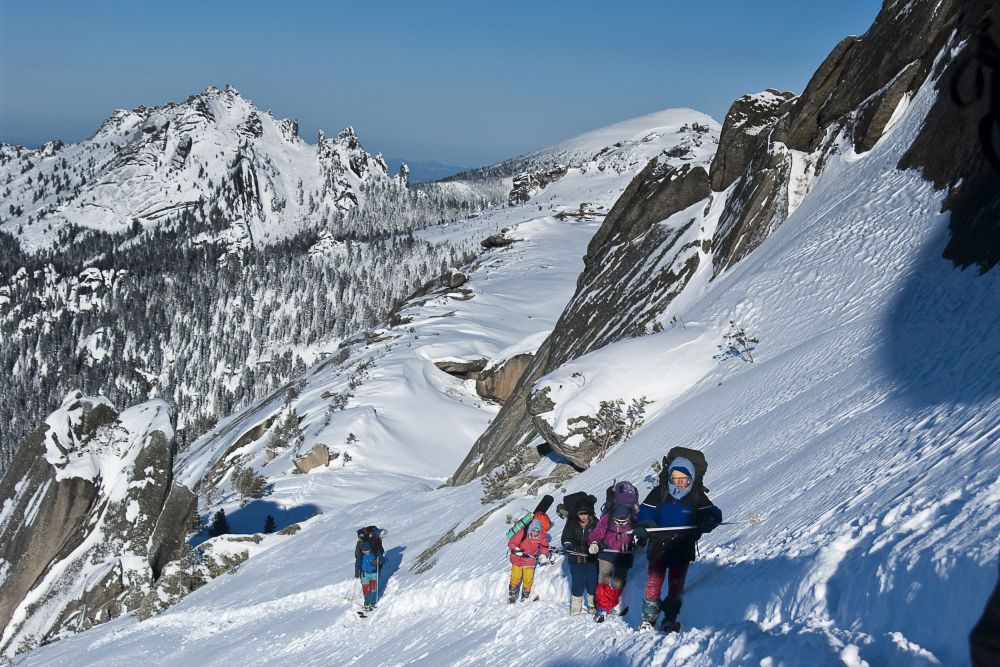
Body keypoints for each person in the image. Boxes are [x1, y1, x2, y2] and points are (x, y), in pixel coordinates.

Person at [635, 455, 721, 632]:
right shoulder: (660, 492)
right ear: (670, 477)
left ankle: (670, 618)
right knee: (653, 582)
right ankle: (648, 618)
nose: (680, 483)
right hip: (659, 546)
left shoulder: (696, 496)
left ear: (690, 479)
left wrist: (708, 519)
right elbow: (644, 512)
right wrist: (644, 524)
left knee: (676, 584)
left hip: (682, 547)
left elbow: (713, 512)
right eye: (676, 478)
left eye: (684, 479)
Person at [588, 480, 639, 622]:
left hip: (624, 553)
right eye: (618, 521)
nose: (621, 524)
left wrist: (642, 541)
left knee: (619, 579)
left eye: (624, 522)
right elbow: (597, 532)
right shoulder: (607, 518)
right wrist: (593, 542)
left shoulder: (633, 518)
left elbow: (640, 530)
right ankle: (603, 608)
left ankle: (611, 603)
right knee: (603, 578)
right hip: (607, 552)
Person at [560, 494, 599, 615]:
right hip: (576, 558)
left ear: (589, 513)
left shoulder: (596, 523)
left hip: (591, 558)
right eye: (581, 514)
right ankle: (576, 607)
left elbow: (600, 537)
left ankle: (592, 605)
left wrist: (596, 544)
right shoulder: (572, 523)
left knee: (592, 582)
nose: (583, 516)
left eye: (585, 514)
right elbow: (566, 536)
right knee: (577, 582)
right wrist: (568, 545)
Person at [507, 517, 550, 603]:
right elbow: (511, 543)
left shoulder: (541, 536)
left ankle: (525, 595)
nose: (535, 533)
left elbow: (544, 546)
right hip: (517, 558)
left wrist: (543, 555)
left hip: (529, 559)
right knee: (516, 576)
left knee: (528, 578)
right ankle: (512, 594)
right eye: (533, 531)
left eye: (537, 531)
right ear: (530, 529)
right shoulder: (522, 533)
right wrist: (516, 549)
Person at [356, 541, 384, 611]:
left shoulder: (375, 554)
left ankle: (372, 602)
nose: (365, 552)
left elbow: (383, 560)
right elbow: (358, 563)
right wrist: (357, 571)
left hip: (373, 574)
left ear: (370, 549)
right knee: (365, 588)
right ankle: (366, 602)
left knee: (372, 588)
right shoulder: (361, 555)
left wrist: (377, 562)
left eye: (367, 550)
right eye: (364, 551)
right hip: (364, 574)